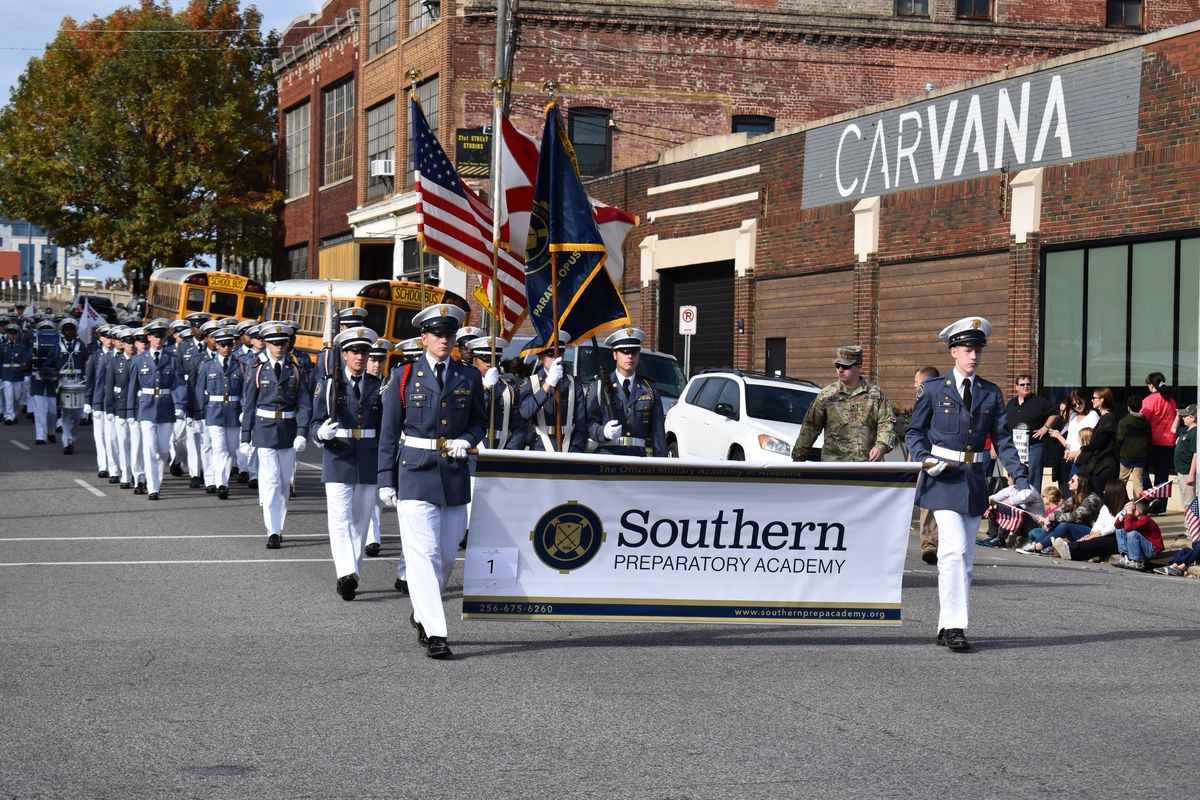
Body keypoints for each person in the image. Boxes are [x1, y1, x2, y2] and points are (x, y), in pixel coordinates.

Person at [906, 317, 1031, 652]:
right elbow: (914, 432)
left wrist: (1020, 477)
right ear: (953, 353)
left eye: (977, 350)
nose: (973, 355)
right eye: (966, 349)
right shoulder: (934, 390)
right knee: (955, 550)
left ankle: (946, 624)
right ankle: (957, 626)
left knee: (966, 559)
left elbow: (1003, 440)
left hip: (975, 481)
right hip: (943, 479)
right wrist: (923, 457)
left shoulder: (990, 392)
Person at [377, 304, 485, 660]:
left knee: (445, 554)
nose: (443, 339)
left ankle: (422, 610)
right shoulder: (405, 376)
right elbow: (389, 432)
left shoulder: (468, 377)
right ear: (423, 338)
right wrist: (385, 480)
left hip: (452, 473)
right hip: (415, 472)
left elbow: (478, 422)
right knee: (423, 554)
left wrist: (466, 440)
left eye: (449, 334)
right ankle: (437, 632)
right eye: (437, 333)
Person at [311, 326, 383, 601]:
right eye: (354, 351)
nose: (360, 357)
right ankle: (345, 573)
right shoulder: (330, 385)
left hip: (367, 457)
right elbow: (316, 421)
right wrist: (320, 433)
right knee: (340, 520)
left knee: (360, 522)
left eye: (364, 351)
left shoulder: (379, 386)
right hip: (338, 456)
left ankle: (352, 573)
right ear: (343, 354)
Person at [239, 322, 312, 549]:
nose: (279, 347)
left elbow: (304, 403)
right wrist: (245, 437)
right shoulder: (257, 367)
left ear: (288, 344)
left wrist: (302, 432)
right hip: (264, 428)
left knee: (283, 483)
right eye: (274, 343)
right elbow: (249, 404)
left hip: (288, 430)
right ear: (267, 344)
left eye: (282, 343)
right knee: (270, 479)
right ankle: (272, 531)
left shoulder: (296, 368)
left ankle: (279, 526)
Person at [792, 345, 897, 462]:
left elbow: (886, 423)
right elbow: (810, 427)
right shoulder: (827, 395)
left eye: (845, 366)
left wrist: (881, 446)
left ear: (858, 367)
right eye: (837, 366)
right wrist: (798, 458)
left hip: (867, 463)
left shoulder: (875, 395)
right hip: (834, 465)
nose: (840, 370)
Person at [126, 319, 188, 500]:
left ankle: (157, 480)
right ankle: (153, 487)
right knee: (149, 448)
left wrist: (180, 406)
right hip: (146, 407)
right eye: (155, 335)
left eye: (162, 335)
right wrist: (130, 412)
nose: (159, 339)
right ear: (149, 337)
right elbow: (132, 387)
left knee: (162, 450)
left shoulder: (172, 359)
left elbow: (179, 384)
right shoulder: (138, 360)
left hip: (166, 407)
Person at [585, 327, 667, 457]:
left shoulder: (649, 389)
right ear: (614, 354)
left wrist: (661, 466)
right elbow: (588, 424)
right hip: (607, 457)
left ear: (639, 355)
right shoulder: (599, 386)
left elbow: (658, 434)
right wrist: (603, 432)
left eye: (634, 352)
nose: (629, 356)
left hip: (637, 459)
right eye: (624, 351)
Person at [194, 327, 244, 500]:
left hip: (234, 411)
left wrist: (245, 411)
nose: (227, 348)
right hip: (214, 412)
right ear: (216, 345)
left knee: (231, 449)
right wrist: (199, 415)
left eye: (229, 344)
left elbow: (245, 391)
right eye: (223, 345)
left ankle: (223, 478)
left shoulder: (241, 366)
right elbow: (200, 391)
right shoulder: (207, 366)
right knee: (219, 448)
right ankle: (222, 484)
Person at [518, 335, 589, 453]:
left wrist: (575, 449)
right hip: (540, 447)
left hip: (568, 447)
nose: (556, 358)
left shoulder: (574, 383)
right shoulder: (532, 382)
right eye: (551, 354)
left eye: (560, 353)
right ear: (540, 357)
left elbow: (581, 424)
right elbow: (525, 412)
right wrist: (548, 384)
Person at [1019, 473, 1103, 554]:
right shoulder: (1073, 498)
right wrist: (1049, 520)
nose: (1069, 482)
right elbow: (1059, 511)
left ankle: (1038, 547)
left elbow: (1075, 516)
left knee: (1064, 525)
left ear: (1081, 483)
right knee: (1052, 524)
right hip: (1078, 529)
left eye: (1072, 481)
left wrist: (1052, 518)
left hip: (1093, 533)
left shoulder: (1092, 499)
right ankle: (1034, 544)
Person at [468, 335, 527, 450]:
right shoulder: (465, 384)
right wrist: (484, 387)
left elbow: (519, 425)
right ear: (475, 360)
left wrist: (511, 450)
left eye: (495, 359)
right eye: (485, 359)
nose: (490, 364)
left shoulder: (509, 387)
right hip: (473, 447)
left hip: (502, 448)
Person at [362, 337, 393, 559]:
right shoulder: (359, 383)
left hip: (383, 447)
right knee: (367, 497)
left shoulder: (389, 384)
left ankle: (373, 536)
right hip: (363, 446)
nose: (376, 365)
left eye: (380, 361)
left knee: (377, 498)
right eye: (373, 360)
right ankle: (372, 537)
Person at [1003, 375, 1058, 492]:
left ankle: (1033, 507)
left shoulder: (1039, 402)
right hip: (1016, 447)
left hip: (1034, 446)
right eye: (1022, 385)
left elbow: (1055, 413)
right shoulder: (1011, 404)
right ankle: (1019, 506)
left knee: (1033, 478)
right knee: (1015, 477)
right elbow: (1005, 423)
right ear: (1016, 387)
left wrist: (1045, 427)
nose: (1026, 387)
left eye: (1028, 384)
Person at [912, 366, 941, 564]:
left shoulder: (940, 400)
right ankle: (929, 544)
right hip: (926, 457)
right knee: (929, 502)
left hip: (938, 456)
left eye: (916, 382)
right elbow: (915, 432)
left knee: (936, 503)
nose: (913, 385)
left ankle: (937, 543)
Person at [1046, 389, 1097, 490]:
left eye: (1079, 402)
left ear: (1084, 399)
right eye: (1074, 405)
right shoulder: (1073, 416)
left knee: (1083, 490)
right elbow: (1069, 439)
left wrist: (1076, 452)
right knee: (1072, 491)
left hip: (1085, 460)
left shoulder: (1092, 415)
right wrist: (1067, 450)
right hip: (1073, 460)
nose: (1077, 406)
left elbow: (1092, 441)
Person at [1072, 387, 1119, 494]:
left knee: (1099, 498)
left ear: (1102, 400)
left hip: (1104, 466)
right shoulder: (1103, 418)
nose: (1092, 400)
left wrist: (1082, 449)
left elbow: (1100, 442)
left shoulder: (1109, 419)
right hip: (1099, 465)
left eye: (1094, 398)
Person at [1142, 372, 1177, 511]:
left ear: (1151, 385)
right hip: (1168, 442)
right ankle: (1161, 507)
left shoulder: (1149, 400)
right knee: (1162, 476)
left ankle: (1151, 498)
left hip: (1151, 442)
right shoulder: (1171, 401)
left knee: (1142, 472)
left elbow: (1142, 421)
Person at [1116, 393, 1151, 502]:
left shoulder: (1124, 422)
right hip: (1141, 457)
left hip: (1126, 456)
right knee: (1138, 482)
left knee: (1122, 481)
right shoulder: (1146, 423)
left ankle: (1119, 503)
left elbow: (1119, 439)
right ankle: (1139, 505)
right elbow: (1149, 440)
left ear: (1128, 408)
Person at [1113, 498, 1164, 571]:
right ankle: (1127, 557)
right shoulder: (1134, 519)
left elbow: (1128, 528)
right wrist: (1123, 513)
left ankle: (1137, 562)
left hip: (1152, 550)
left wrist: (1129, 513)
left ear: (1138, 512)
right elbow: (1117, 525)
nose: (1128, 511)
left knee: (1132, 533)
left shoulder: (1145, 519)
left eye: (1132, 509)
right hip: (1143, 548)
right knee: (1120, 531)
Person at [1, 322, 30, 425]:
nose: (12, 335)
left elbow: (26, 357)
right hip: (6, 374)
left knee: (16, 396)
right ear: (7, 334)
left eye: (14, 333)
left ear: (18, 334)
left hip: (18, 374)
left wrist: (25, 364)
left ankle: (14, 413)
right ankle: (8, 416)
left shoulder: (21, 347)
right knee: (8, 395)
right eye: (10, 333)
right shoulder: (2, 346)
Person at [1172, 404, 1197, 510]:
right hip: (1181, 471)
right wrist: (1177, 416)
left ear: (1192, 418)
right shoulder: (1185, 431)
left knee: (1189, 502)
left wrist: (1191, 474)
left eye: (1185, 416)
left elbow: (1195, 454)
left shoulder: (1195, 432)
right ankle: (1189, 524)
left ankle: (1190, 526)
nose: (1183, 418)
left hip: (1187, 472)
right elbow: (1173, 429)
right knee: (1184, 501)